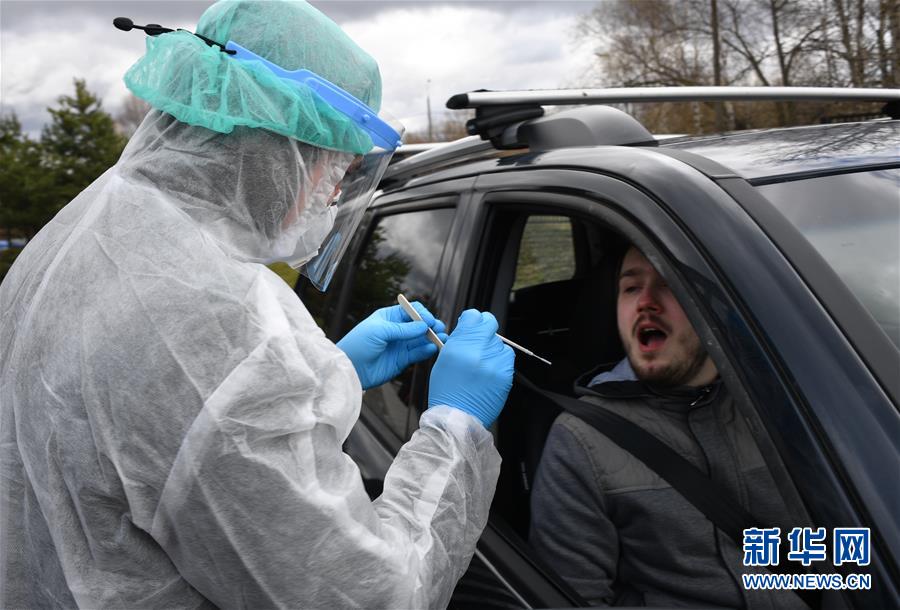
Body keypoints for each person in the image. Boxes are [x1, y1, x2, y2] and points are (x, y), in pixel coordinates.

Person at [0, 1, 514, 608]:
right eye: (334, 169)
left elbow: (159, 430)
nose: (331, 196)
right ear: (278, 149)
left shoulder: (94, 222)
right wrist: (454, 429)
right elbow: (374, 595)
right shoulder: (222, 318)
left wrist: (333, 373)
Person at [529, 245, 804, 608]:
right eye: (630, 288)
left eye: (669, 283)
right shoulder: (582, 439)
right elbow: (573, 597)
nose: (645, 302)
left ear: (715, 304)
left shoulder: (783, 406)